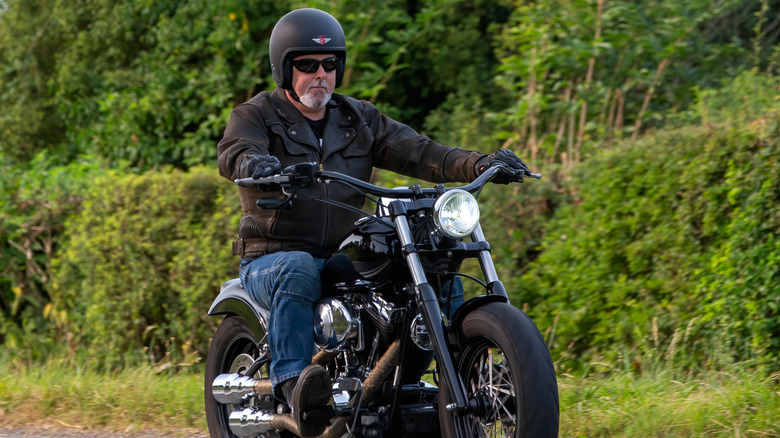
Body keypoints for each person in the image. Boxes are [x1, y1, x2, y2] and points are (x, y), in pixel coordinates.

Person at [217, 8, 530, 437]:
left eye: (329, 65)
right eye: (307, 65)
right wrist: (258, 163)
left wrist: (483, 162)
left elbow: (422, 152)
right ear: (285, 69)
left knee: (428, 260)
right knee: (299, 267)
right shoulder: (255, 115)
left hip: (342, 251)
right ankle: (294, 387)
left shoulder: (358, 118)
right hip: (272, 256)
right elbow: (234, 151)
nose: (320, 74)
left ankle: (460, 372)